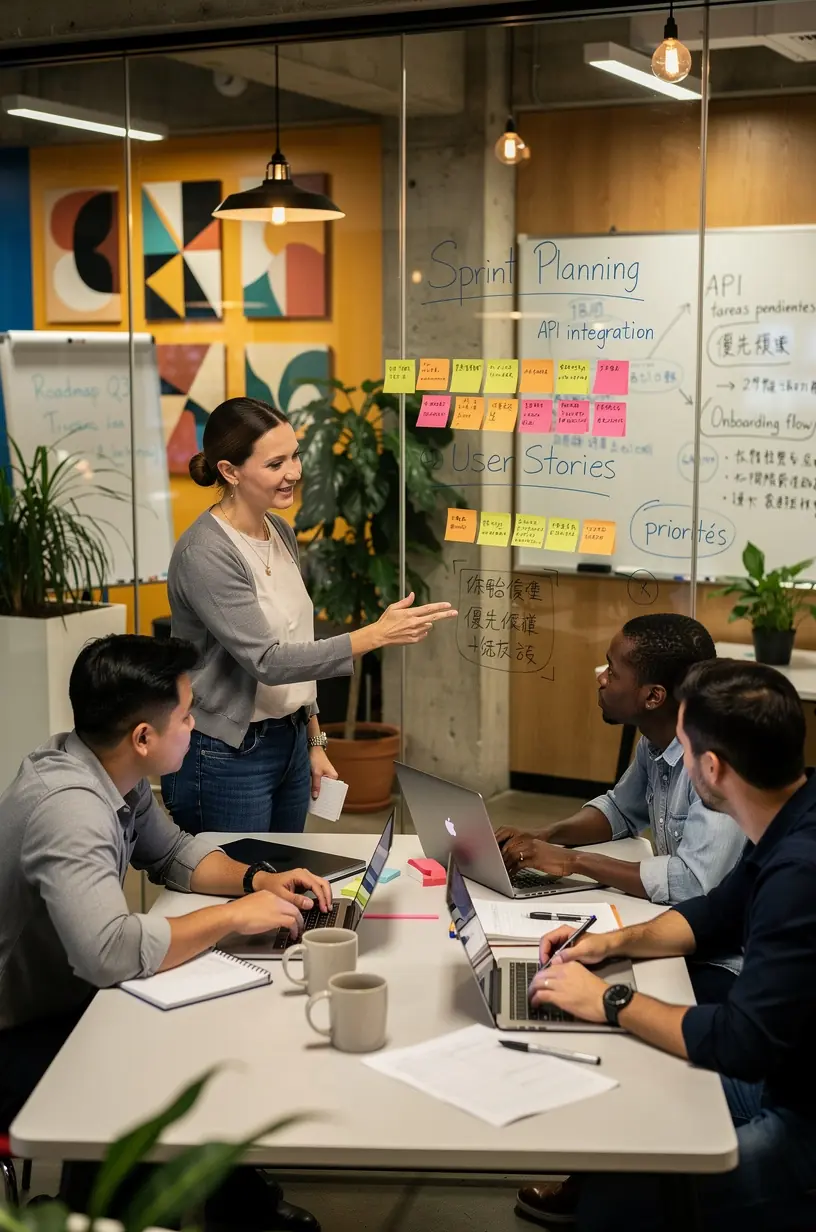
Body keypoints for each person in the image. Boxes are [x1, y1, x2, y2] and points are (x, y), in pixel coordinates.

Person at [0, 634, 332, 1230]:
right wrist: (233, 917)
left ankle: (236, 1205)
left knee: (203, 1035)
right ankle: (124, 1213)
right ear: (143, 737)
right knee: (154, 1068)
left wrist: (258, 881)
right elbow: (108, 952)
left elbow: (173, 853)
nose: (194, 726)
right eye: (185, 716)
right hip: (17, 1031)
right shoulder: (69, 809)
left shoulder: (110, 770)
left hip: (66, 998)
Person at [527, 659, 816, 1231]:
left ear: (711, 767)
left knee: (621, 1195)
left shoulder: (799, 876)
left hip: (799, 1112)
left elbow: (740, 1042)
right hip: (785, 1073)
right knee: (629, 1089)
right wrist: (608, 945)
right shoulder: (791, 815)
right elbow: (714, 915)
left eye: (684, 748)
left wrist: (609, 1001)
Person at [504, 614, 747, 1228]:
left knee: (615, 1023)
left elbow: (696, 884)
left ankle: (608, 1184)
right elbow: (620, 808)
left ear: (653, 695)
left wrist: (574, 862)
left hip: (723, 961)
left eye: (613, 670)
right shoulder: (655, 741)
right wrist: (542, 838)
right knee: (583, 975)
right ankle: (600, 1172)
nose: (601, 677)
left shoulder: (712, 759)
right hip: (683, 930)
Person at [163, 396, 457, 836]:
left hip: (290, 743)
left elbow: (297, 641)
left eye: (295, 455)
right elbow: (268, 661)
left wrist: (313, 739)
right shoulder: (205, 553)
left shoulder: (279, 530)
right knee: (241, 876)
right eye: (275, 463)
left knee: (283, 871)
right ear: (230, 471)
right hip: (226, 753)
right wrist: (373, 635)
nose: (294, 472)